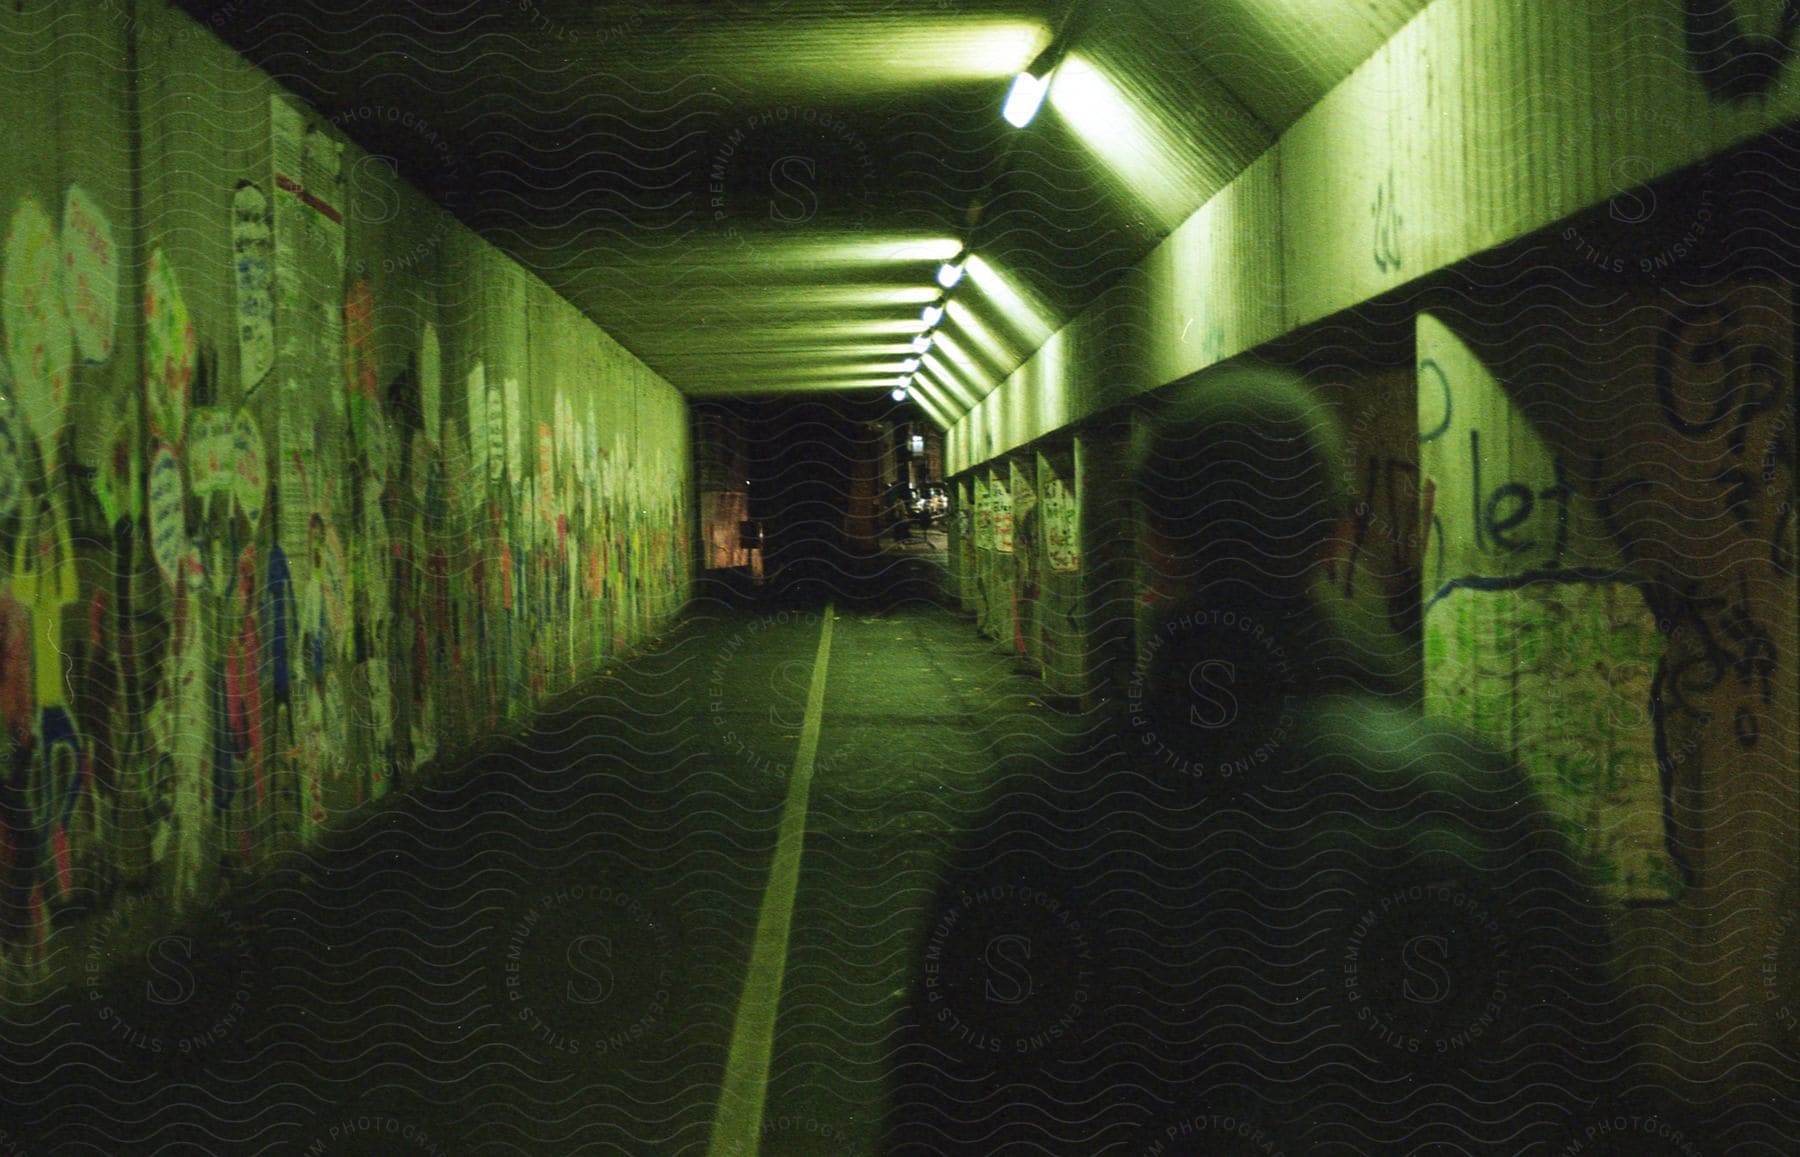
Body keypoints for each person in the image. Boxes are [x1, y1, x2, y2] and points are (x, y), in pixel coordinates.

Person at [883, 363, 1634, 1154]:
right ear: (1335, 536)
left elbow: (946, 1109)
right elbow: (1596, 1083)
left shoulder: (1039, 820)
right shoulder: (1477, 797)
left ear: (1155, 544)